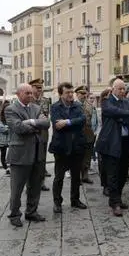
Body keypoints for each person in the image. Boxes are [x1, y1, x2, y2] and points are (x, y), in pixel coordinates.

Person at [5, 83, 50, 227]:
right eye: (27, 93)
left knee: (35, 185)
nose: (31, 96)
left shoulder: (36, 108)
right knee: (17, 188)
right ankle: (14, 214)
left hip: (37, 152)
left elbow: (47, 123)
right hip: (20, 154)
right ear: (18, 94)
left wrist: (31, 122)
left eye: (31, 93)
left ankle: (31, 211)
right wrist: (36, 127)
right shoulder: (11, 109)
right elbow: (18, 127)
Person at [96, 79, 129, 216]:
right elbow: (113, 112)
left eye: (124, 89)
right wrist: (124, 115)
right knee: (112, 174)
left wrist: (121, 116)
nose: (122, 91)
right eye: (119, 89)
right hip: (111, 142)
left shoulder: (127, 102)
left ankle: (117, 197)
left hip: (125, 141)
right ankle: (115, 203)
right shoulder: (106, 101)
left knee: (123, 173)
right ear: (113, 89)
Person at [49, 82, 87, 213]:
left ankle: (75, 200)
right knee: (59, 177)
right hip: (61, 146)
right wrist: (71, 122)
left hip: (77, 146)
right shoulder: (54, 107)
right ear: (61, 94)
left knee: (76, 176)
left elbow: (82, 120)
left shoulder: (77, 106)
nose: (71, 94)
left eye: (71, 92)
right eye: (67, 92)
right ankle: (57, 202)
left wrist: (67, 121)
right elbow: (57, 124)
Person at [29, 79, 52, 190]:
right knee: (31, 158)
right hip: (31, 133)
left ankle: (41, 182)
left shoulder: (46, 101)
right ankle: (30, 183)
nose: (39, 89)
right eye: (37, 87)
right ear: (31, 88)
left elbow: (47, 117)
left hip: (43, 133)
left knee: (42, 159)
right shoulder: (27, 100)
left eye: (40, 87)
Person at [75, 86, 98, 184]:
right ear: (77, 94)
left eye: (85, 93)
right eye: (82, 93)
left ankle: (85, 175)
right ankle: (77, 177)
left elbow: (92, 119)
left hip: (89, 133)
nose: (84, 95)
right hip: (78, 133)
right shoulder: (74, 105)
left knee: (87, 156)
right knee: (78, 156)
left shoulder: (90, 105)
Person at [0, 103, 10, 175]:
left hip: (10, 139)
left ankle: (11, 167)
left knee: (11, 154)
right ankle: (6, 168)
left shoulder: (12, 116)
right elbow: (0, 128)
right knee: (3, 154)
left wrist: (7, 128)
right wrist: (9, 128)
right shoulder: (1, 118)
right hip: (2, 139)